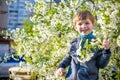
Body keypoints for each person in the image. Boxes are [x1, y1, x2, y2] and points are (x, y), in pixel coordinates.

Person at [56, 10, 111, 80]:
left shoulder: (97, 43)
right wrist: (61, 67)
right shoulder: (74, 42)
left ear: (93, 25)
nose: (84, 26)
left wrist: (106, 51)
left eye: (87, 23)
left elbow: (101, 64)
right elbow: (68, 58)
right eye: (80, 24)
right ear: (75, 27)